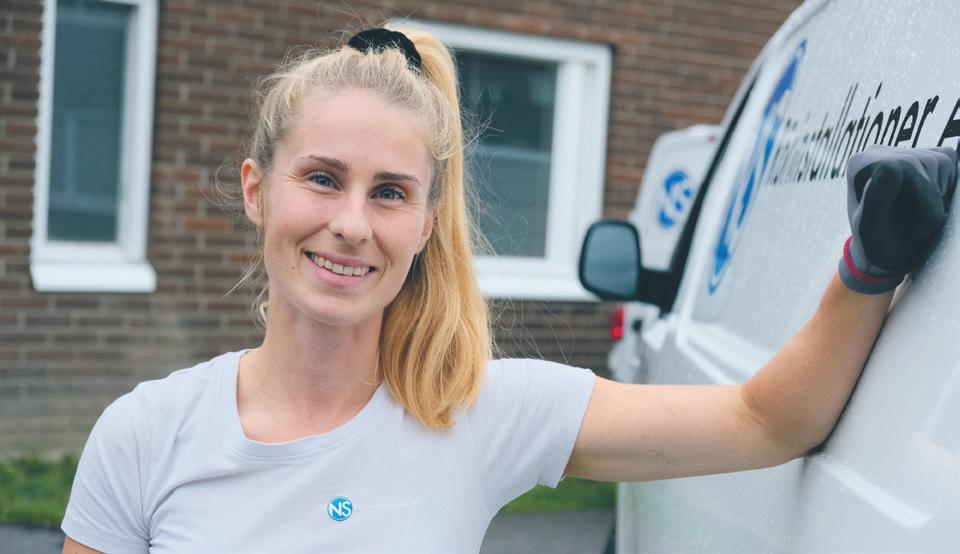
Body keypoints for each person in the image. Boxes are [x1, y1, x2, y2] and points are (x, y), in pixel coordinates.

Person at [60, 25, 958, 554]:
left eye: (390, 193)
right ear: (258, 190)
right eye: (322, 178)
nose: (352, 224)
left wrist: (868, 264)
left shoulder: (477, 411)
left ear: (425, 223)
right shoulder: (145, 435)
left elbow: (767, 420)